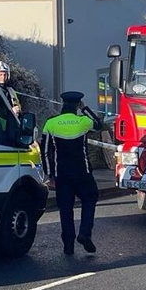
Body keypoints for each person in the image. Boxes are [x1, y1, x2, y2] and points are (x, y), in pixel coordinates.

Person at [40, 91, 103, 255]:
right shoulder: (83, 122)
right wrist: (86, 108)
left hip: (62, 174)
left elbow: (45, 151)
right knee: (90, 198)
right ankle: (84, 233)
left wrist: (49, 174)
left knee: (65, 209)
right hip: (83, 172)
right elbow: (98, 124)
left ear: (63, 104)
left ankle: (68, 245)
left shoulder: (51, 123)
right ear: (77, 105)